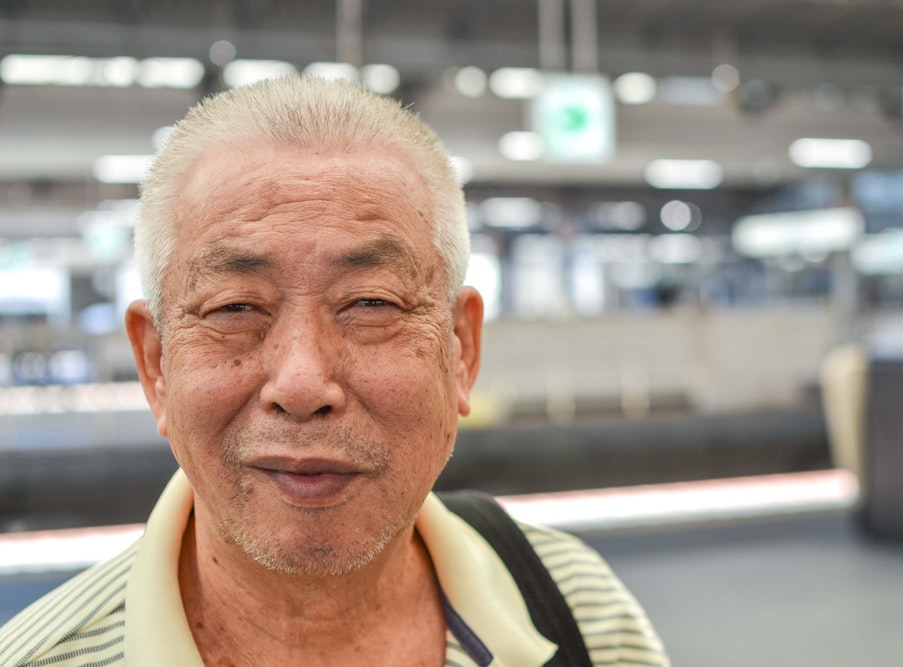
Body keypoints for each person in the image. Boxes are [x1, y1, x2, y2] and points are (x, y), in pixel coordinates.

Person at [0, 75, 668, 666]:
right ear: (156, 365)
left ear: (460, 349)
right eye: (235, 307)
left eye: (371, 303)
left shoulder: (579, 614)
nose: (300, 384)